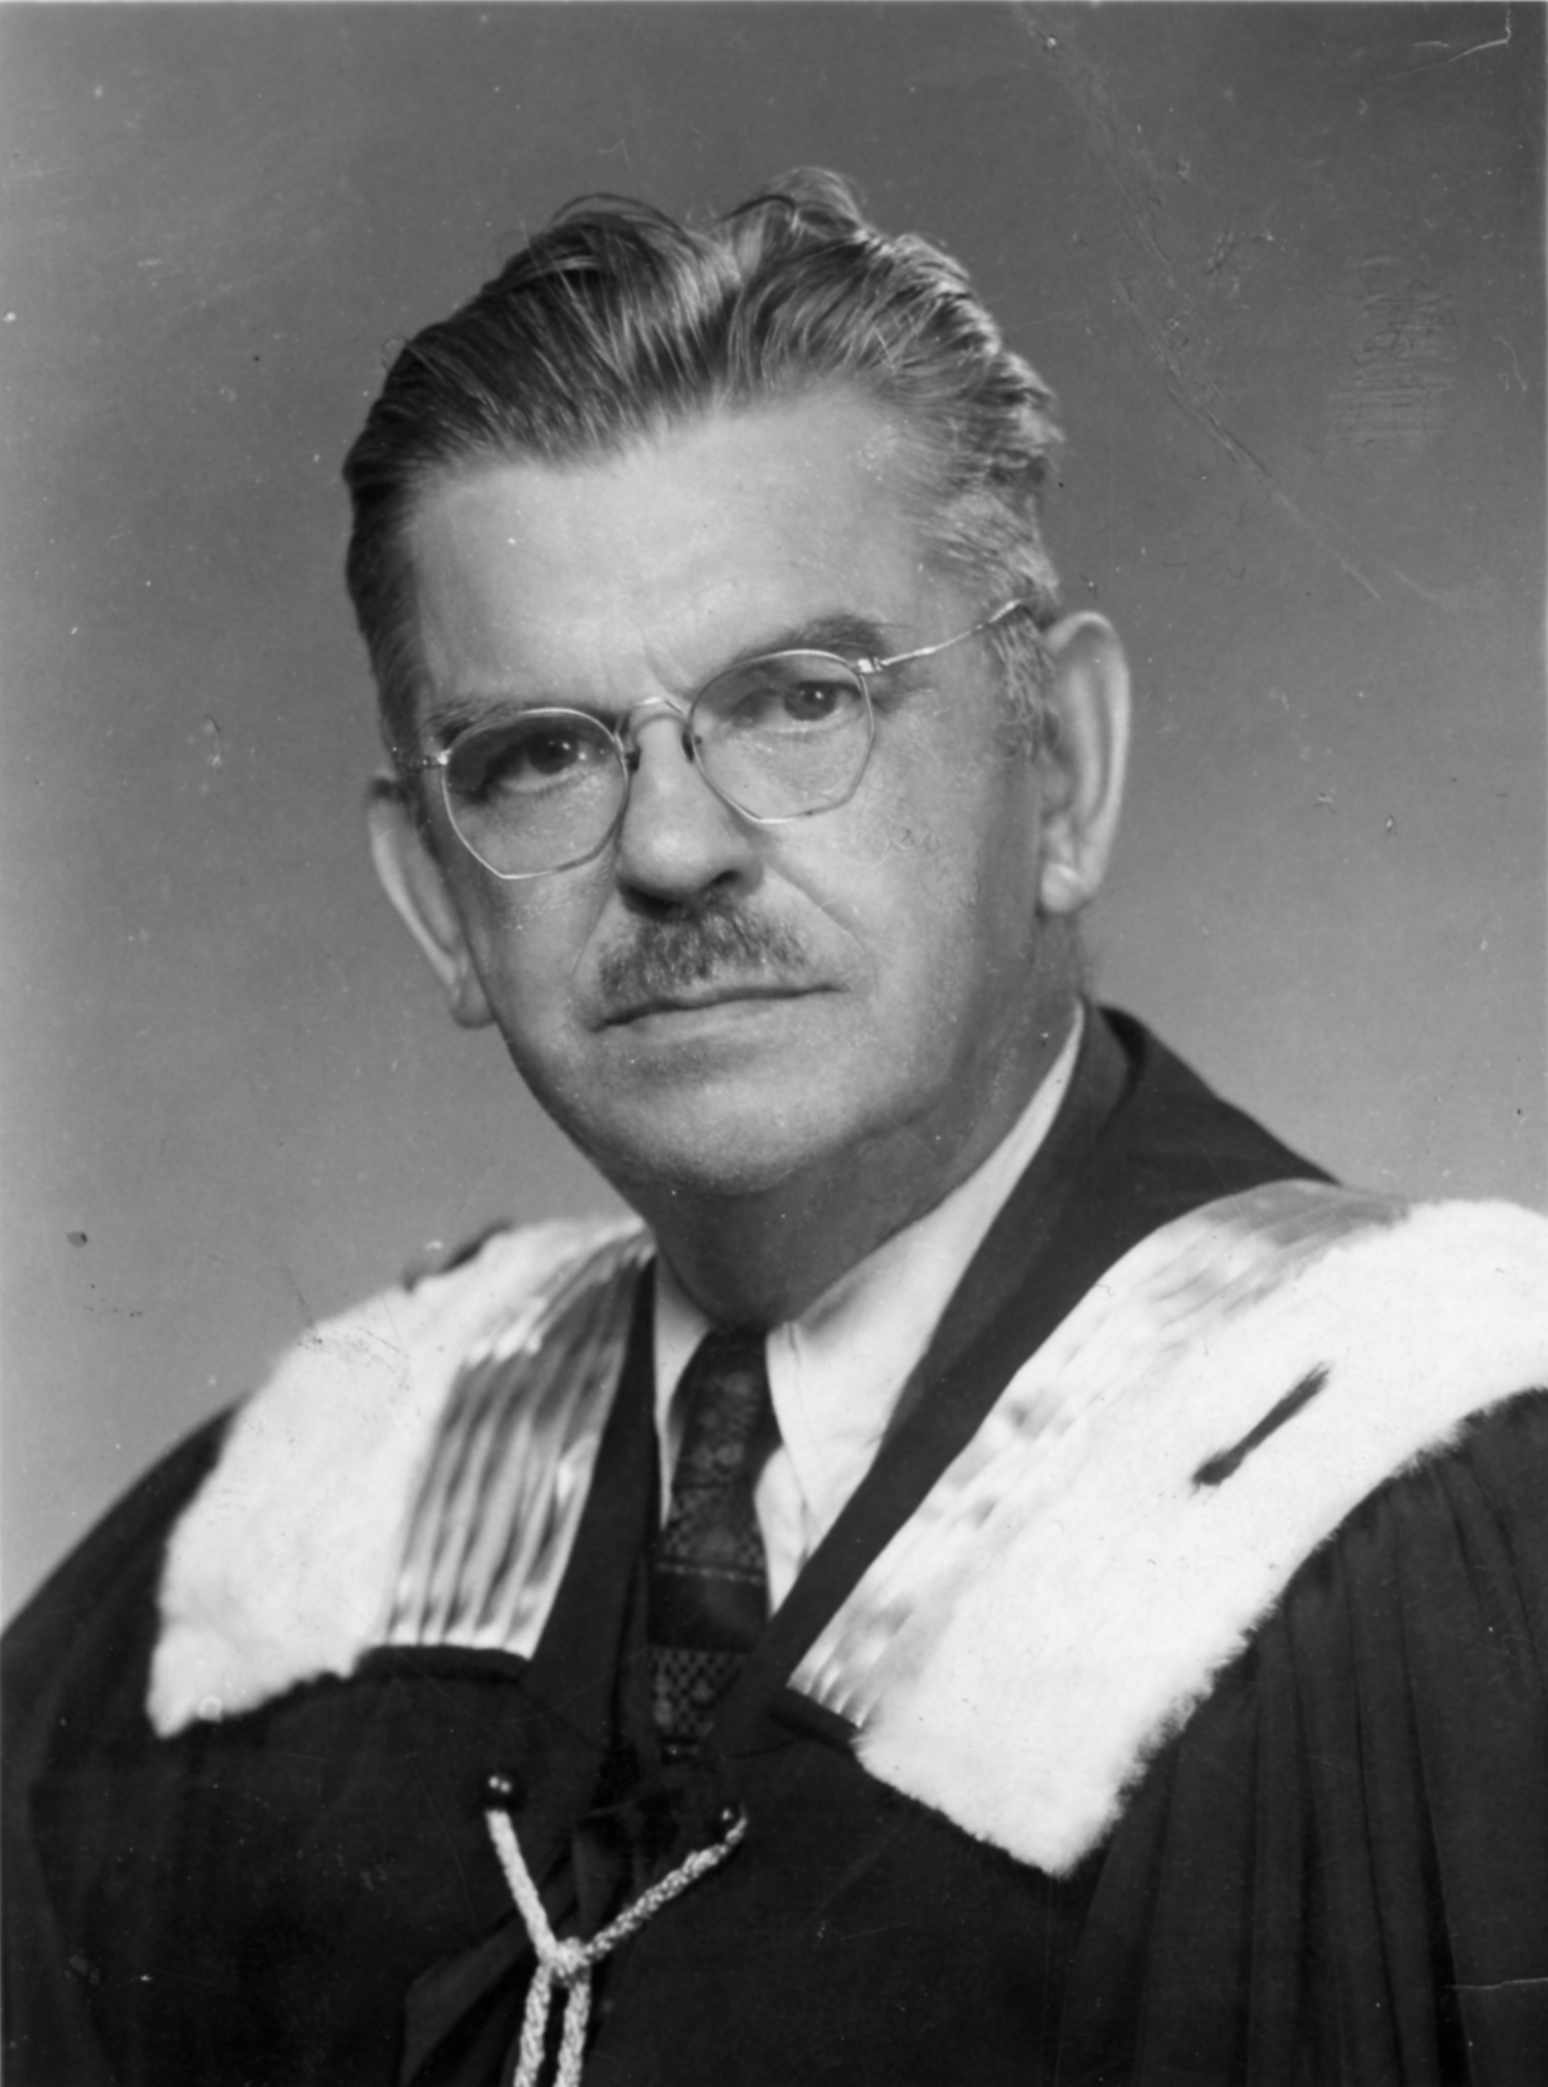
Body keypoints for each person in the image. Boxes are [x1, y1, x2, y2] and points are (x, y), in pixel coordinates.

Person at [5, 170, 1547, 2087]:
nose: (670, 848)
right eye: (541, 754)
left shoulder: (1418, 1507)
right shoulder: (313, 1521)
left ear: (1063, 768)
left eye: (801, 699)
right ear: (438, 902)